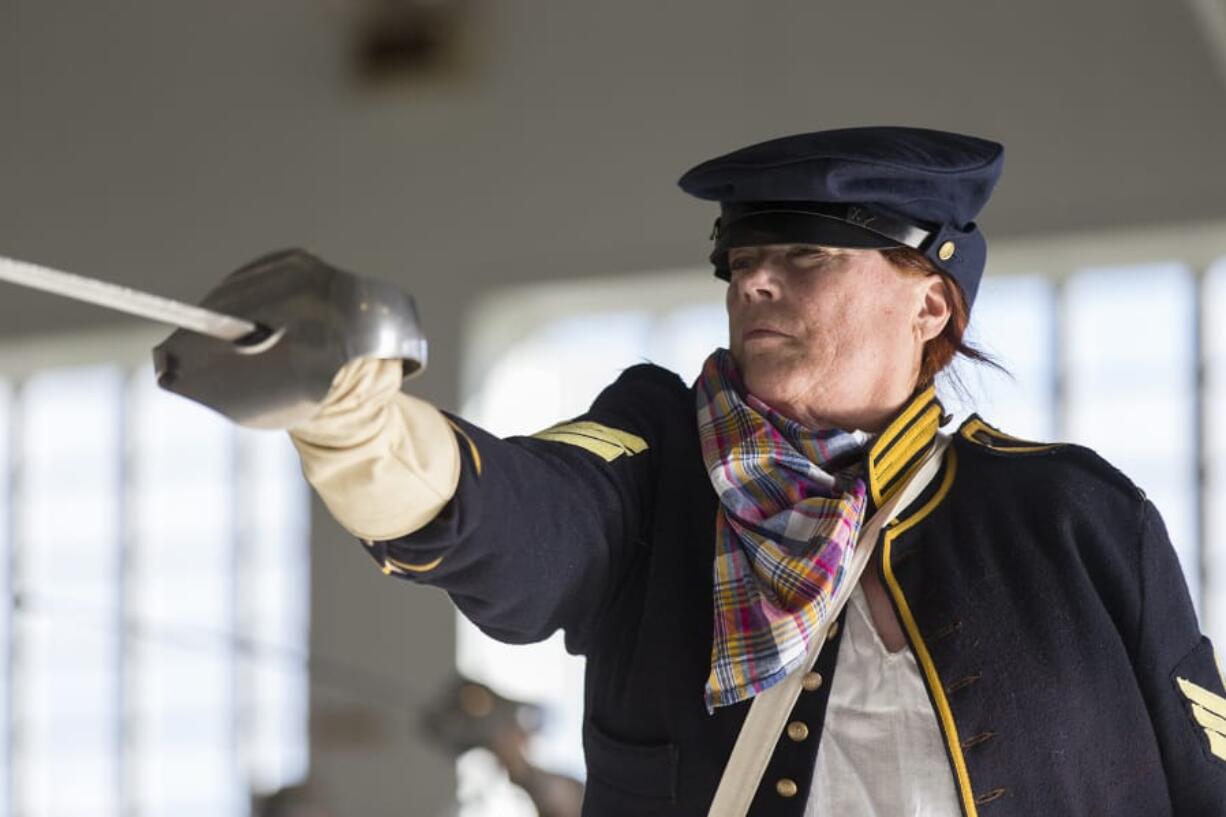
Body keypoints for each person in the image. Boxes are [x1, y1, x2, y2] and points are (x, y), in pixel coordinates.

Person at [287, 127, 1226, 816]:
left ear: (931, 304)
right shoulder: (661, 453)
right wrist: (355, 423)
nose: (751, 283)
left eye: (803, 253)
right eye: (740, 262)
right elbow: (525, 512)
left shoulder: (1072, 514)